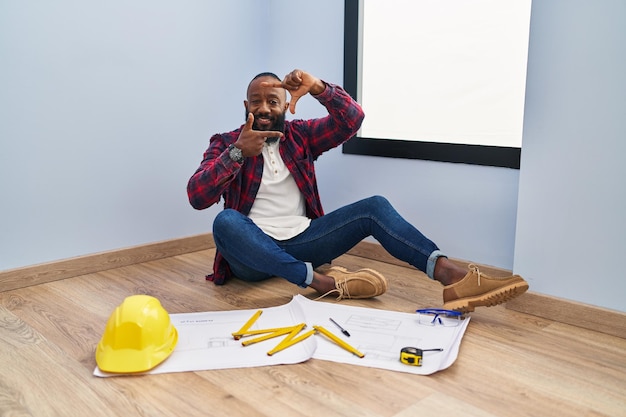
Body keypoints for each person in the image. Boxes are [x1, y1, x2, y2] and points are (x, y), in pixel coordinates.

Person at [187, 69, 528, 313]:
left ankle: (451, 276)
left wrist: (319, 87)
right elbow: (197, 196)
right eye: (255, 101)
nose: (263, 108)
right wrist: (237, 153)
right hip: (253, 257)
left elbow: (352, 119)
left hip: (305, 241)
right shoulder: (226, 142)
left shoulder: (300, 136)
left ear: (285, 105)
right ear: (245, 105)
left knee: (374, 206)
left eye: (272, 101)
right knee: (226, 222)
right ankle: (322, 284)